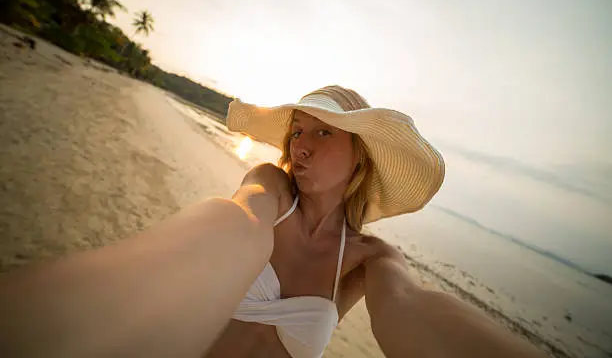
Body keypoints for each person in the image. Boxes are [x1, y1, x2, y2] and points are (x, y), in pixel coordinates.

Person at [0, 86, 546, 358]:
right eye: (298, 131)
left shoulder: (369, 260)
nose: (300, 146)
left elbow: (412, 310)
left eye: (323, 132)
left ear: (362, 156)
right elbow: (236, 222)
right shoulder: (271, 187)